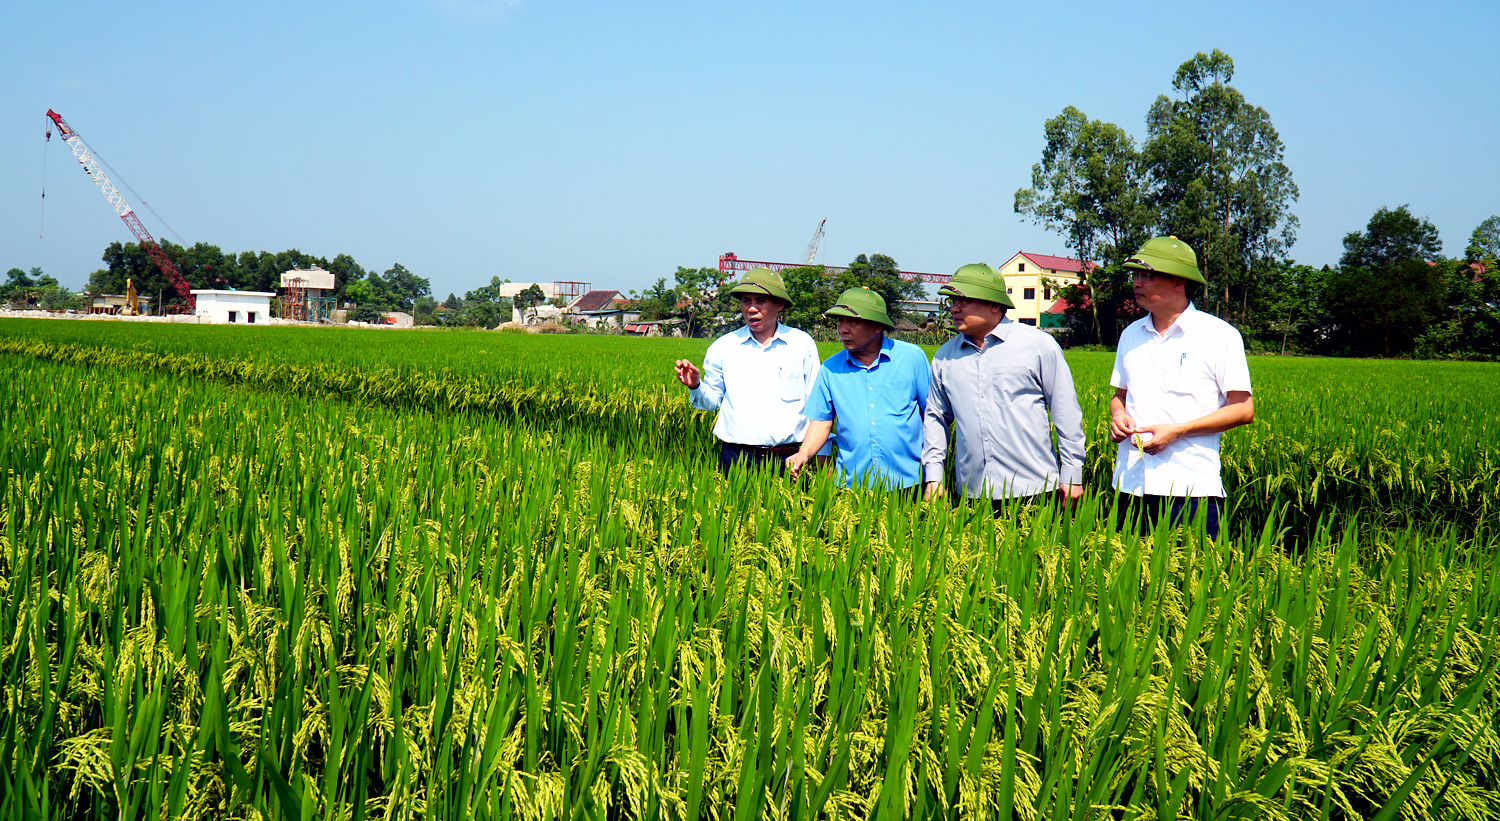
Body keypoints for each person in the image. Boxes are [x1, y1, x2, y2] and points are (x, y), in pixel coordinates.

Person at [1107, 236, 1255, 540]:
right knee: (1127, 580)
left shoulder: (1218, 335)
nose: (1137, 282)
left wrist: (1179, 430)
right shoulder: (1131, 334)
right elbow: (1119, 396)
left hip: (1190, 489)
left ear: (1178, 281)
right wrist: (1118, 416)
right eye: (1135, 275)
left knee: (1191, 581)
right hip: (1130, 484)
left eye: (1146, 275)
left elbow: (1243, 408)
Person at [922, 263, 1086, 511]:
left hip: (1035, 490)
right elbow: (936, 417)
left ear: (994, 304)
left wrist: (1072, 473)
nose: (954, 308)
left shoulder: (1038, 346)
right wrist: (934, 475)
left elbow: (1065, 412)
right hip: (973, 493)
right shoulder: (945, 357)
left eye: (962, 300)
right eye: (951, 301)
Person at [674, 267, 829, 473]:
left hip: (790, 458)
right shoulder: (724, 346)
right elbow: (711, 402)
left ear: (779, 304)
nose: (751, 308)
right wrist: (695, 385)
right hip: (737, 458)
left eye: (760, 301)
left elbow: (816, 406)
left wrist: (818, 456)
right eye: (746, 301)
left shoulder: (801, 344)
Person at [784, 287, 930, 497]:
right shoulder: (830, 368)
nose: (842, 329)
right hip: (852, 486)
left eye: (852, 322)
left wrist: (935, 474)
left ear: (877, 326)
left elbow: (931, 416)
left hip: (908, 482)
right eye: (839, 322)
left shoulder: (912, 358)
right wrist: (804, 454)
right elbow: (822, 422)